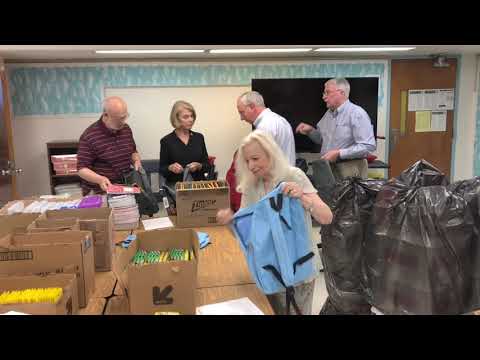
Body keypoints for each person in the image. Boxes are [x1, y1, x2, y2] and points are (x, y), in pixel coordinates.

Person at [216, 130, 333, 315]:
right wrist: (232, 222)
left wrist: (303, 197)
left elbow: (326, 217)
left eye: (255, 158)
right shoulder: (251, 186)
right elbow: (248, 233)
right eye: (247, 161)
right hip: (271, 271)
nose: (251, 165)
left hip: (299, 269)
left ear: (270, 153)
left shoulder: (294, 176)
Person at [295, 78, 376, 180]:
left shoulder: (356, 113)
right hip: (328, 169)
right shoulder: (328, 114)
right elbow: (322, 139)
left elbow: (368, 146)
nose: (324, 97)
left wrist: (339, 153)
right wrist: (310, 131)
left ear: (341, 93)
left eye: (327, 92)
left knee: (347, 196)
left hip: (350, 170)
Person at [77, 96, 141, 195]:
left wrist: (136, 160)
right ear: (106, 115)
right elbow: (82, 169)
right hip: (101, 192)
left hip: (126, 188)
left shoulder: (126, 129)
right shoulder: (90, 136)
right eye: (119, 119)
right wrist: (100, 179)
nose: (123, 122)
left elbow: (132, 151)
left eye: (125, 117)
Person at [237, 91, 296, 166]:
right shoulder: (280, 119)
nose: (241, 118)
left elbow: (261, 162)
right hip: (286, 175)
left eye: (242, 112)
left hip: (276, 176)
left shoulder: (265, 126)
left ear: (252, 107)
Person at [159, 100, 210, 185]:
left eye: (192, 116)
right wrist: (171, 168)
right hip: (176, 188)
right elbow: (162, 169)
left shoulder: (199, 138)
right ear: (176, 119)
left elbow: (207, 165)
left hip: (198, 187)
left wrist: (199, 166)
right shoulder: (166, 141)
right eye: (186, 117)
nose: (191, 120)